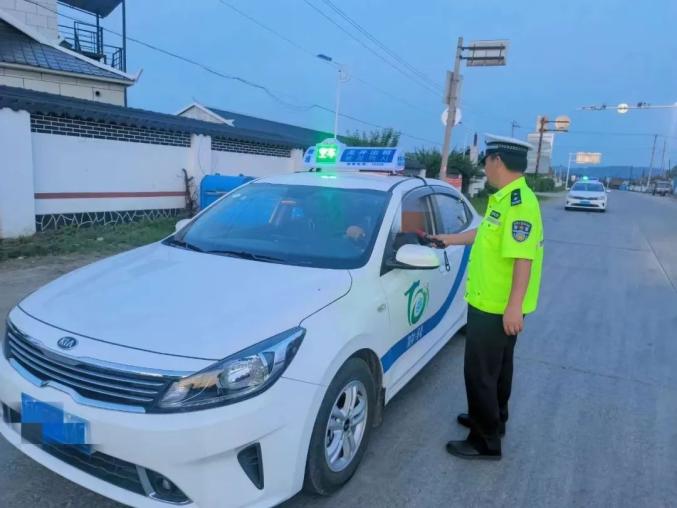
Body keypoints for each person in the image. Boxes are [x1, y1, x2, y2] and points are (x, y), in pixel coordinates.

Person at [432, 134, 544, 460]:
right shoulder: (505, 199)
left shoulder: (520, 205)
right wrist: (449, 239)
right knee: (498, 369)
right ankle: (494, 419)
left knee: (480, 373)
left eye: (487, 162)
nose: (485, 168)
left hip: (497, 307)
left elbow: (523, 258)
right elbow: (483, 234)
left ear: (497, 161)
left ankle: (485, 441)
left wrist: (514, 307)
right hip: (493, 303)